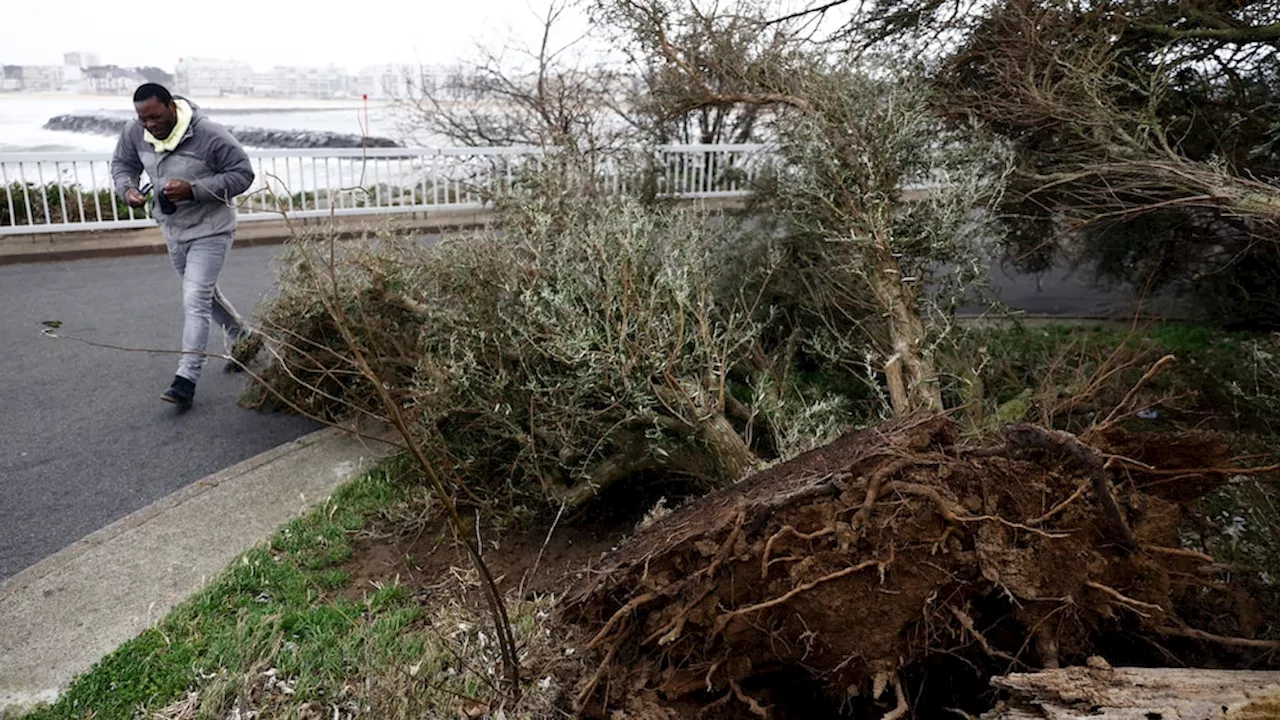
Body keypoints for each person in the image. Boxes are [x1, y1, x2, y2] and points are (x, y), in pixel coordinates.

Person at [111, 83, 257, 407]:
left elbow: (243, 174)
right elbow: (122, 164)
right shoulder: (134, 132)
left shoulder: (209, 134)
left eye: (155, 116)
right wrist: (128, 190)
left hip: (212, 229)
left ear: (171, 106)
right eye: (142, 118)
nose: (149, 124)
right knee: (205, 295)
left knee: (195, 299)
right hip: (173, 230)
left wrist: (194, 189)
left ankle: (186, 379)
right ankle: (244, 336)